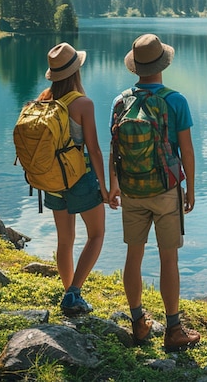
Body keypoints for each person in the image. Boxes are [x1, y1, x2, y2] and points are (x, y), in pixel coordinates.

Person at [108, 33, 200, 352]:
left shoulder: (120, 101)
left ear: (136, 68)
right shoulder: (175, 100)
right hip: (166, 188)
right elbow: (186, 150)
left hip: (132, 189)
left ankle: (138, 323)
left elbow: (114, 147)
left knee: (134, 255)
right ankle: (173, 330)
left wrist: (114, 185)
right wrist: (189, 186)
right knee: (168, 258)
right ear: (163, 64)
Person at [39, 42, 117, 316]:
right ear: (76, 72)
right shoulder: (83, 103)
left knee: (65, 240)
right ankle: (74, 293)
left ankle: (68, 292)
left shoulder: (44, 97)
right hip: (79, 179)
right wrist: (105, 187)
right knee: (96, 235)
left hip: (51, 179)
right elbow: (94, 149)